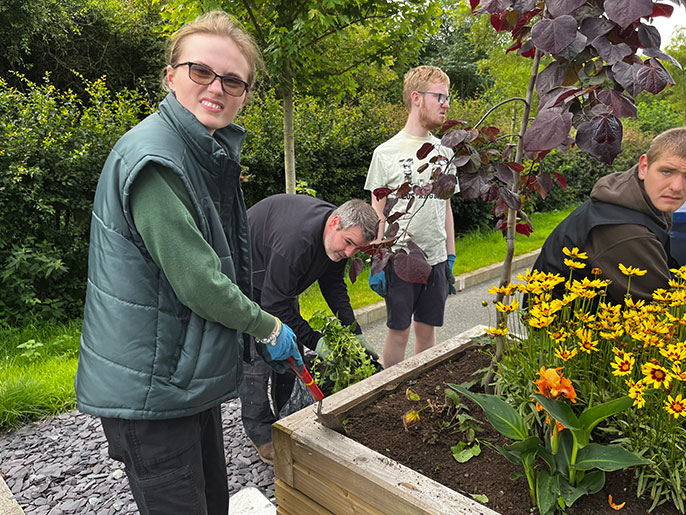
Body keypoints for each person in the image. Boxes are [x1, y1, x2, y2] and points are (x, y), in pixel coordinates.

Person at [74, 11, 303, 514]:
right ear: (171, 74)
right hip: (152, 389)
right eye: (201, 71)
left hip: (180, 378)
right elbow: (199, 280)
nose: (216, 87)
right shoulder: (156, 159)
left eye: (233, 80)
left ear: (245, 93)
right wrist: (266, 328)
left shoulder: (197, 150)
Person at [240, 194, 379, 464]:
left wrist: (354, 331)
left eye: (357, 249)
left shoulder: (333, 238)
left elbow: (334, 287)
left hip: (278, 280)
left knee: (290, 351)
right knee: (257, 357)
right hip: (247, 279)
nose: (349, 253)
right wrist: (316, 341)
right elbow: (274, 304)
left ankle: (287, 415)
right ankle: (260, 431)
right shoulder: (295, 242)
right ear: (335, 222)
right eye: (348, 243)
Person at [364, 65, 457, 369]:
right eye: (439, 96)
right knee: (399, 333)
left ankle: (421, 396)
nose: (446, 104)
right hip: (400, 259)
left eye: (448, 98)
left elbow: (445, 207)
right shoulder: (385, 153)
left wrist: (450, 256)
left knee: (426, 332)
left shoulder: (445, 153)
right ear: (417, 98)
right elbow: (377, 211)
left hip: (436, 260)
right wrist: (377, 261)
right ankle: (387, 393)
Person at [533, 127, 686, 304]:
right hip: (565, 325)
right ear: (644, 167)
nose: (677, 186)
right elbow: (662, 307)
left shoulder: (637, 193)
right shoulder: (625, 230)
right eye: (667, 171)